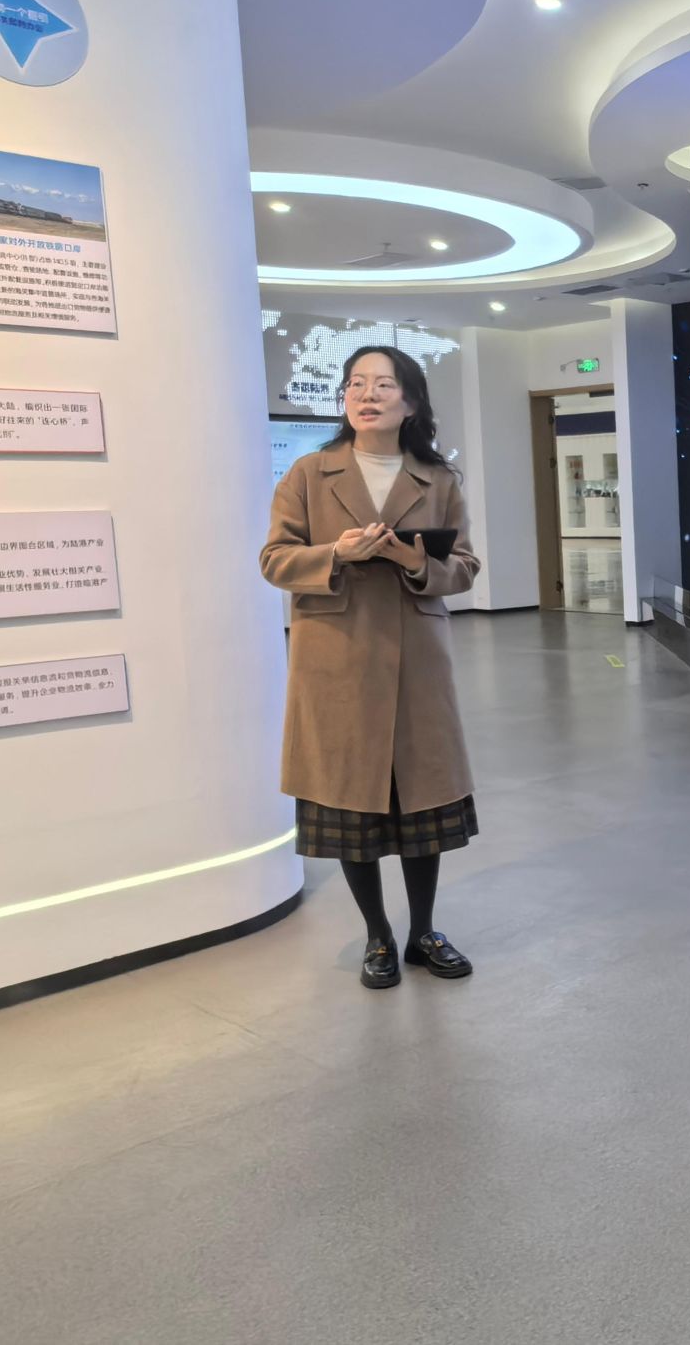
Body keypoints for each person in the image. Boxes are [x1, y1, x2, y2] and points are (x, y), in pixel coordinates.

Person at [260, 345, 483, 990]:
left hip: (417, 661)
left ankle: (423, 932)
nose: (367, 395)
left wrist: (417, 563)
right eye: (356, 383)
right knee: (349, 804)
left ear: (409, 402)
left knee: (422, 806)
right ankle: (378, 935)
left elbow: (465, 567)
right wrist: (337, 552)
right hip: (338, 657)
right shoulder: (310, 473)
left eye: (383, 385)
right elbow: (274, 559)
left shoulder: (438, 479)